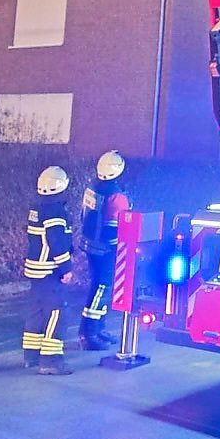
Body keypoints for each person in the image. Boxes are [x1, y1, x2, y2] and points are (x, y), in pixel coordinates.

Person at [21, 165, 76, 375]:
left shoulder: (37, 208)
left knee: (36, 311)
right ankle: (51, 361)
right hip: (50, 271)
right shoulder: (56, 212)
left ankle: (31, 356)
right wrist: (66, 268)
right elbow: (57, 243)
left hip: (36, 269)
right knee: (56, 312)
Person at [78, 150, 131, 350]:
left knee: (99, 286)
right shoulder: (116, 195)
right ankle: (89, 333)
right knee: (101, 288)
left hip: (90, 244)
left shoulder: (93, 187)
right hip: (106, 248)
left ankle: (98, 329)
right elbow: (123, 221)